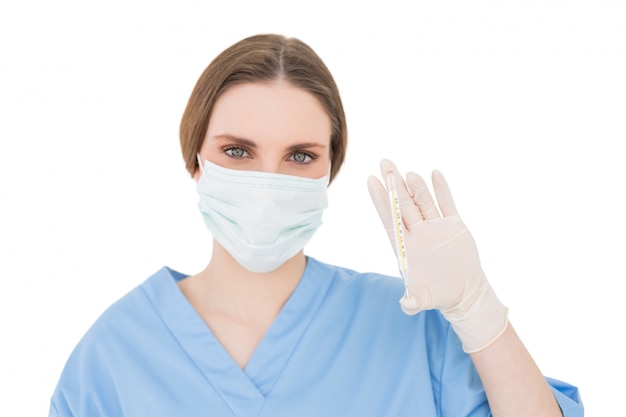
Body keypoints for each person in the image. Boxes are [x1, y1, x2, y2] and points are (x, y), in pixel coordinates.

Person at [48, 34, 583, 417]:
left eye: (300, 157)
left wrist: (479, 311)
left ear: (329, 172)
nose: (268, 179)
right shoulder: (115, 355)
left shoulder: (412, 327)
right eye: (237, 151)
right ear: (196, 162)